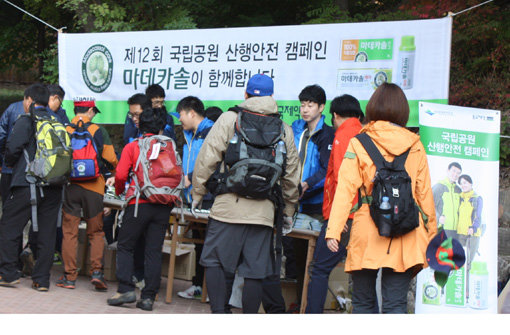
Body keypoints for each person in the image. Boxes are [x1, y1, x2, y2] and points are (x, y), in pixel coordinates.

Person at [191, 74, 300, 313]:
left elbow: (207, 158)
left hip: (227, 208)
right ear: (272, 97)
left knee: (217, 263)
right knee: (255, 270)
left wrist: (197, 192)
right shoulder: (284, 128)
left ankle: (221, 314)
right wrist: (289, 210)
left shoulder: (230, 119)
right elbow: (292, 176)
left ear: (246, 94)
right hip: (263, 213)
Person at [325, 83, 437, 313]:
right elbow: (424, 196)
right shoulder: (416, 145)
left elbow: (345, 189)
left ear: (372, 107)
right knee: (395, 304)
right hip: (407, 230)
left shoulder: (359, 142)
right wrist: (432, 236)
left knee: (364, 303)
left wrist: (333, 230)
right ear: (403, 111)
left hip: (368, 229)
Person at [107, 107, 176, 311]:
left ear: (139, 124)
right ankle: (148, 298)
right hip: (164, 203)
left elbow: (120, 175)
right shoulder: (170, 146)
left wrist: (121, 192)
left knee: (126, 245)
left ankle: (126, 289)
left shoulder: (134, 146)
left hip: (139, 203)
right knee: (153, 250)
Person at [0, 83, 64, 291]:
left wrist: (9, 163)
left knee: (9, 226)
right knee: (47, 233)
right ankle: (41, 280)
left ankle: (8, 273)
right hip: (54, 185)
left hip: (27, 184)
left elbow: (13, 149)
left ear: (29, 100)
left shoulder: (26, 120)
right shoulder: (57, 122)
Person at [306, 94, 364, 313]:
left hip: (344, 216)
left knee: (319, 269)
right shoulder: (365, 133)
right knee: (362, 274)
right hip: (362, 214)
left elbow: (342, 179)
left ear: (335, 115)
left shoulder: (343, 135)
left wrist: (339, 220)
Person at [56, 97, 118, 291]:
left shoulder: (65, 129)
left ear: (75, 110)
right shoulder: (98, 131)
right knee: (96, 231)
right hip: (94, 187)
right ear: (90, 110)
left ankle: (69, 277)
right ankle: (97, 273)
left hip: (71, 186)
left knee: (69, 232)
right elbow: (111, 158)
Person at [286, 84, 334, 308]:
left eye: (310, 104)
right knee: (296, 257)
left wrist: (307, 184)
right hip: (294, 203)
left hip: (315, 204)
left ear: (321, 107)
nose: (305, 109)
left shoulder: (327, 134)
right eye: (302, 105)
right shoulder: (296, 129)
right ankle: (298, 302)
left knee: (312, 259)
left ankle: (309, 306)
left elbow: (328, 170)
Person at [175, 96, 215, 300]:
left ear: (191, 112)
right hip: (192, 198)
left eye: (180, 114)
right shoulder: (190, 134)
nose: (179, 119)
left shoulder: (212, 133)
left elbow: (212, 164)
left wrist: (190, 177)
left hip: (209, 197)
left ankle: (211, 289)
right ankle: (199, 285)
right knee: (199, 244)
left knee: (211, 245)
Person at [432, 162, 462, 240]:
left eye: (458, 173)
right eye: (454, 171)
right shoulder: (439, 187)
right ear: (448, 171)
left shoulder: (459, 190)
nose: (455, 174)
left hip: (456, 230)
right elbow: (429, 205)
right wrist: (438, 218)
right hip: (442, 228)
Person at [456, 174, 483, 260]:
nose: (463, 185)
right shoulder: (460, 198)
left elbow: (478, 216)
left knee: (468, 261)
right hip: (461, 234)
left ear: (471, 183)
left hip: (472, 234)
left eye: (465, 183)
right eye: (461, 183)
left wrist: (473, 228)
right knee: (459, 261)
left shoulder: (477, 198)